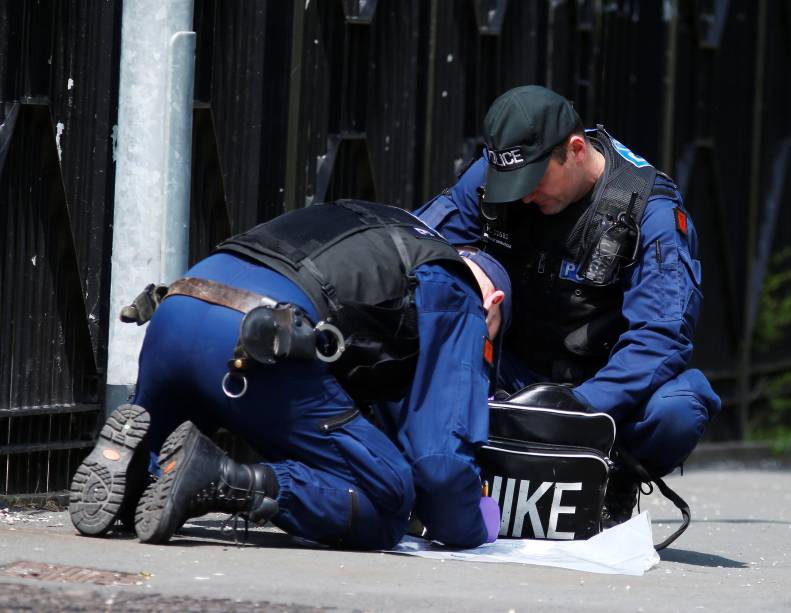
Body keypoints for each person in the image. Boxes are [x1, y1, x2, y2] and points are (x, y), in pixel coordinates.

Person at [69, 199, 510, 549]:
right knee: (390, 497)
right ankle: (226, 480)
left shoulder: (385, 226)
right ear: (494, 304)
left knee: (156, 468)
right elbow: (441, 472)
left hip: (178, 309)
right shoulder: (459, 290)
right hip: (255, 337)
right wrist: (482, 524)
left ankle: (132, 472)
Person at [413, 85, 722, 524]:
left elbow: (662, 337)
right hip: (508, 369)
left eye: (533, 181)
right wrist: (468, 267)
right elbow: (416, 247)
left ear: (575, 150)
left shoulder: (648, 211)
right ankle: (429, 470)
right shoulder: (495, 176)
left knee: (680, 406)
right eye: (511, 183)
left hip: (601, 389)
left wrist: (577, 407)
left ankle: (610, 485)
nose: (521, 197)